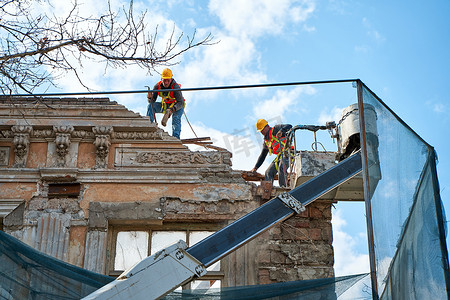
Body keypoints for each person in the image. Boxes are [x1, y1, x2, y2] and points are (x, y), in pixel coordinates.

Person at [251, 119, 293, 188]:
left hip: (289, 153)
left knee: (282, 167)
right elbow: (263, 155)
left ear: (267, 126)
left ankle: (283, 188)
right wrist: (255, 168)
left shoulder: (275, 129)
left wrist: (281, 131)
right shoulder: (266, 142)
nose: (261, 132)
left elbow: (289, 126)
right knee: (268, 172)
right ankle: (267, 189)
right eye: (260, 130)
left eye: (262, 129)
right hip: (280, 157)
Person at [147, 68, 185, 139]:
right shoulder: (157, 86)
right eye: (164, 80)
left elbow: (180, 103)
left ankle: (175, 138)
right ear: (161, 79)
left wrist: (172, 109)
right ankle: (149, 128)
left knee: (176, 118)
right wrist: (149, 98)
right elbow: (152, 102)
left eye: (168, 80)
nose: (166, 82)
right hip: (166, 105)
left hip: (177, 106)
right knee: (151, 107)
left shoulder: (175, 87)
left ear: (171, 79)